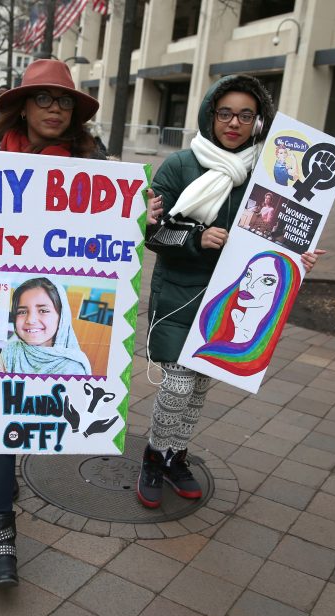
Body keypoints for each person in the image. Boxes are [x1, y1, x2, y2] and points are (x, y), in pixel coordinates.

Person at [0, 59, 163, 588]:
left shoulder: (93, 161)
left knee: (36, 411)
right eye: (44, 99)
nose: (54, 109)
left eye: (63, 102)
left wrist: (140, 215)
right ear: (23, 105)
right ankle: (0, 534)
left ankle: (6, 483)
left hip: (51, 313)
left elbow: (121, 239)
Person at [137, 74, 324, 509]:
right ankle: (153, 457)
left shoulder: (273, 174)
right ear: (210, 114)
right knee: (177, 387)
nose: (234, 123)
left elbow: (278, 237)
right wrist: (195, 239)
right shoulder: (180, 165)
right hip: (181, 293)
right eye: (226, 113)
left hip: (235, 299)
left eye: (246, 115)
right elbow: (151, 234)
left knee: (200, 385)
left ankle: (175, 457)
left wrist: (298, 258)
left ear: (259, 122)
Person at [193, 250, 300, 369]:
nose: (249, 284)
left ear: (283, 289)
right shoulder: (221, 326)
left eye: (266, 281)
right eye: (248, 274)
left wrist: (303, 265)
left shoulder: (251, 351)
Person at [0, 277, 91, 375]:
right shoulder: (11, 352)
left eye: (43, 311)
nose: (30, 320)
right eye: (22, 312)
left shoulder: (72, 367)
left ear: (62, 317)